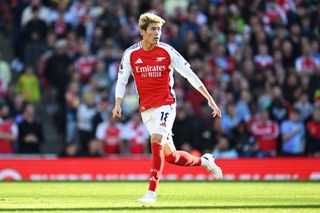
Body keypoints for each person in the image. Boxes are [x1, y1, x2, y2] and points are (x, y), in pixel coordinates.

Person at [112, 13, 222, 203]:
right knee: (170, 156)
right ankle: (205, 162)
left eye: (159, 29)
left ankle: (151, 193)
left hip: (166, 104)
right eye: (153, 29)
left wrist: (209, 99)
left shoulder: (167, 51)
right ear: (142, 31)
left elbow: (189, 74)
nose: (157, 33)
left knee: (156, 141)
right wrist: (118, 103)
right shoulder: (131, 54)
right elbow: (122, 80)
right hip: (146, 109)